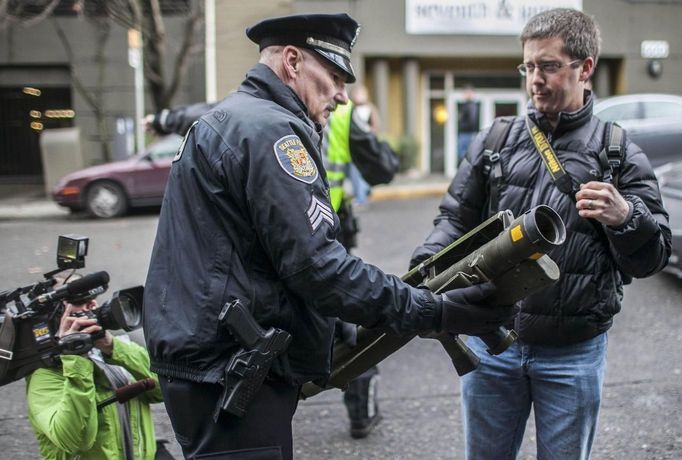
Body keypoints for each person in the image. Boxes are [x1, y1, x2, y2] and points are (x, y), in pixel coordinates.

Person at [143, 12, 513, 459]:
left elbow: (251, 254)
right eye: (335, 76)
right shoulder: (272, 130)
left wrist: (330, 320)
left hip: (206, 360)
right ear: (293, 62)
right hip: (227, 366)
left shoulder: (233, 117)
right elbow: (316, 266)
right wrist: (433, 311)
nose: (342, 95)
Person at [410, 8, 671, 460]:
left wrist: (625, 215)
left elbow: (654, 256)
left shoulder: (617, 150)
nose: (535, 79)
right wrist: (425, 266)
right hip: (490, 342)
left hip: (573, 353)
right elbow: (454, 219)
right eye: (528, 66)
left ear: (585, 67)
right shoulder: (496, 140)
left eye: (549, 66)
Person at [145, 81, 398, 439]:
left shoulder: (244, 113)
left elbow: (207, 110)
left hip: (278, 237)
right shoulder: (343, 118)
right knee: (346, 312)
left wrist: (164, 118)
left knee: (306, 303)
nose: (339, 95)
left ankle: (283, 392)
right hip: (323, 234)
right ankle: (360, 412)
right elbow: (383, 168)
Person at [25, 272, 167, 460]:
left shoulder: (112, 349)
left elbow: (163, 389)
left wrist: (113, 348)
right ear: (56, 316)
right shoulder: (44, 376)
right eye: (81, 301)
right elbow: (76, 440)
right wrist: (76, 359)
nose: (93, 305)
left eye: (93, 298)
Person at [457, 84, 479, 162]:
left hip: (467, 134)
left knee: (465, 156)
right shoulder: (465, 105)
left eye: (467, 93)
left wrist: (471, 132)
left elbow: (472, 121)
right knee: (463, 155)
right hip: (465, 133)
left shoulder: (471, 106)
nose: (465, 94)